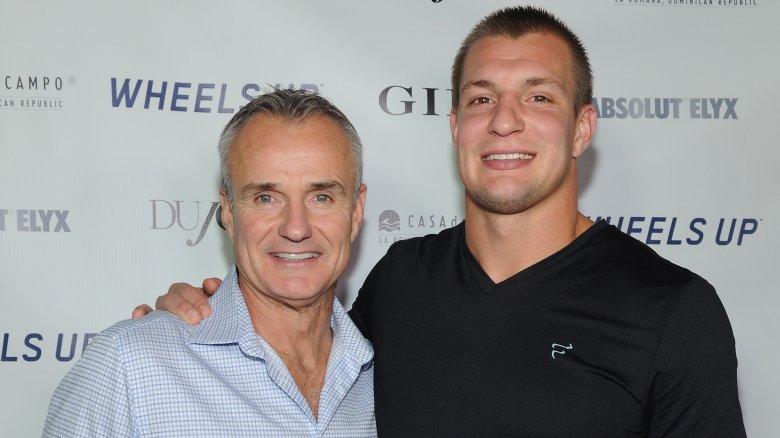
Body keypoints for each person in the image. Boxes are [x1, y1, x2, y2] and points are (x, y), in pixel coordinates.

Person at [137, 6, 747, 437]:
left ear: (582, 127)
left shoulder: (672, 311)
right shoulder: (402, 279)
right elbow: (301, 362)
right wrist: (191, 330)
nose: (504, 121)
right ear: (455, 127)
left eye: (538, 96)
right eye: (481, 98)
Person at [44, 89, 376, 437]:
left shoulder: (388, 377)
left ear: (355, 212)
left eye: (321, 196)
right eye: (265, 197)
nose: (295, 227)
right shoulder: (129, 366)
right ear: (229, 212)